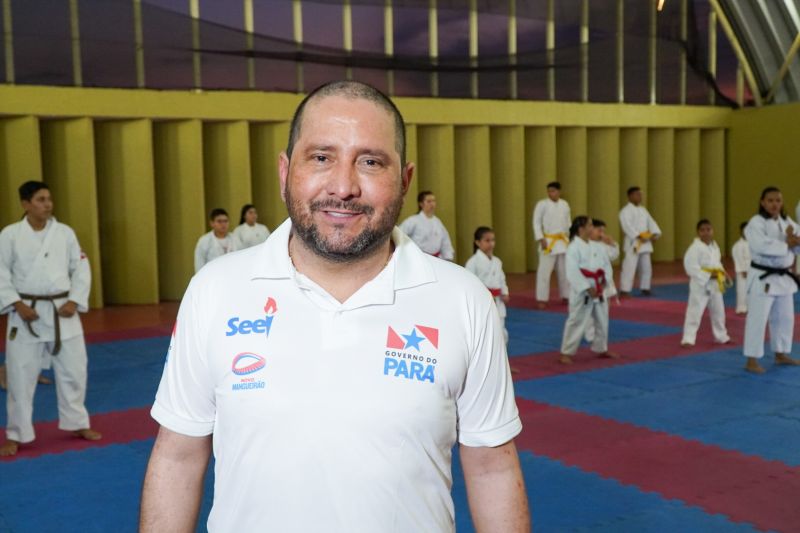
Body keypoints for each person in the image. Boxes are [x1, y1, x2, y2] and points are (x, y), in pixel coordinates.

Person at [140, 81, 529, 532]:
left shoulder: (462, 300)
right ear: (285, 171)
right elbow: (178, 455)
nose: (343, 187)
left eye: (370, 162)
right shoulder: (216, 290)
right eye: (321, 157)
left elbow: (492, 466)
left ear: (404, 180)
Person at [0, 181, 101, 457]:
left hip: (62, 311)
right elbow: (1, 272)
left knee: (74, 371)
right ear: (25, 204)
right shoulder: (9, 235)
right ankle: (17, 433)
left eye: (49, 199)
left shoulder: (65, 233)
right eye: (41, 199)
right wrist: (16, 303)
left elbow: (81, 267)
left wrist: (74, 300)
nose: (47, 204)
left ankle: (77, 423)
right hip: (25, 313)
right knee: (20, 376)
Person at [742, 187, 800, 374]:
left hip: (783, 278)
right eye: (770, 200)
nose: (775, 204)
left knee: (785, 318)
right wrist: (787, 244)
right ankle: (751, 359)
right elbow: (760, 246)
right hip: (763, 278)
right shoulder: (756, 223)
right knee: (758, 319)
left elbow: (797, 245)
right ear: (762, 202)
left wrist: (794, 240)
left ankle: (781, 353)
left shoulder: (787, 221)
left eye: (778, 200)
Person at [559, 216, 617, 365]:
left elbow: (606, 266)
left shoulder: (598, 246)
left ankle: (601, 348)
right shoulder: (573, 248)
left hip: (599, 289)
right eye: (590, 225)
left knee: (602, 320)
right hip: (582, 292)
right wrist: (587, 287)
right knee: (576, 321)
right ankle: (566, 352)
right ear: (581, 229)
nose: (592, 228)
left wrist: (604, 282)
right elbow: (572, 271)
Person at [680, 219, 731, 347]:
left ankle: (721, 336)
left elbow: (718, 263)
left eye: (708, 229)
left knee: (719, 312)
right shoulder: (694, 248)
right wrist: (708, 275)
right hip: (700, 285)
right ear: (698, 232)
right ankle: (688, 339)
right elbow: (690, 267)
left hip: (715, 284)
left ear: (712, 231)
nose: (706, 233)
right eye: (703, 230)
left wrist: (724, 274)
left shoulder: (715, 247)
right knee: (695, 312)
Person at [465, 226, 509, 343]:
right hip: (482, 302)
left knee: (501, 332)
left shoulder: (497, 261)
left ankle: (500, 359)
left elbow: (501, 279)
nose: (491, 244)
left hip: (497, 301)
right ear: (478, 242)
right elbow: (468, 285)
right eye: (487, 240)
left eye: (493, 240)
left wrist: (505, 292)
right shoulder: (472, 263)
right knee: (483, 334)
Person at [532, 181, 571, 309]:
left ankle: (567, 295)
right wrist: (540, 238)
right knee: (544, 272)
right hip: (548, 241)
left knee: (564, 271)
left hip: (562, 241)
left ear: (559, 192)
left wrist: (569, 237)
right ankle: (541, 299)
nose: (551, 193)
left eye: (553, 191)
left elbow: (568, 223)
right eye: (549, 191)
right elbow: (536, 222)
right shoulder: (542, 204)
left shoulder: (565, 204)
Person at [619, 186, 662, 297]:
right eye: (637, 194)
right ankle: (625, 290)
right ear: (630, 196)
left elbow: (651, 223)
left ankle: (645, 287)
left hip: (645, 242)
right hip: (634, 242)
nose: (640, 197)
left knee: (646, 266)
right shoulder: (625, 211)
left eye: (641, 194)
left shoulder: (643, 210)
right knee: (629, 266)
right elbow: (627, 226)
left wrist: (655, 234)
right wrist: (638, 236)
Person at [585, 219, 619, 344]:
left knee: (604, 311)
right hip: (591, 284)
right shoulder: (583, 245)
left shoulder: (604, 245)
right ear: (590, 230)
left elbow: (614, 256)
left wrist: (612, 244)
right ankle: (590, 335)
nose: (601, 234)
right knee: (589, 311)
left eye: (603, 231)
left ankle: (600, 334)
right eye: (599, 231)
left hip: (605, 283)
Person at [399, 191, 455, 261]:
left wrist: (448, 257)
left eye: (434, 201)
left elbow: (445, 242)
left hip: (436, 260)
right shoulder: (413, 221)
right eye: (429, 201)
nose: (432, 204)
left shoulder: (438, 222)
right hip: (418, 259)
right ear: (421, 204)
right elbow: (399, 235)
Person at [193, 208, 239, 272]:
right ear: (212, 223)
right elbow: (199, 264)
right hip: (212, 277)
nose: (223, 224)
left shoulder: (235, 239)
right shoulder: (204, 241)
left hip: (232, 275)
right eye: (219, 221)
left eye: (225, 221)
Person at [731, 221, 751, 315]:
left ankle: (750, 307)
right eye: (744, 230)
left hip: (753, 270)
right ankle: (741, 308)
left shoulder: (752, 243)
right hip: (743, 271)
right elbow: (738, 258)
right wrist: (743, 270)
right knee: (742, 290)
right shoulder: (738, 245)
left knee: (752, 290)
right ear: (741, 231)